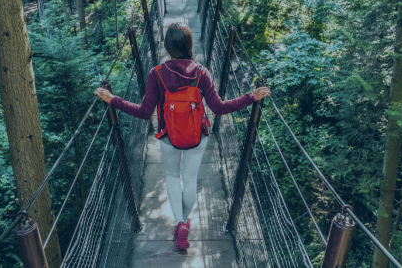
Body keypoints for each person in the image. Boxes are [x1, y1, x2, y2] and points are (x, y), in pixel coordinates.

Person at [95, 23, 270, 250]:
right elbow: (218, 108)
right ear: (190, 45)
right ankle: (183, 224)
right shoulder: (201, 73)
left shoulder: (156, 74)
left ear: (167, 47)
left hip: (169, 136)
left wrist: (113, 100)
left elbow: (144, 112)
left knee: (171, 175)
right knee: (190, 181)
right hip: (197, 135)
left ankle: (179, 222)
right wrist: (251, 97)